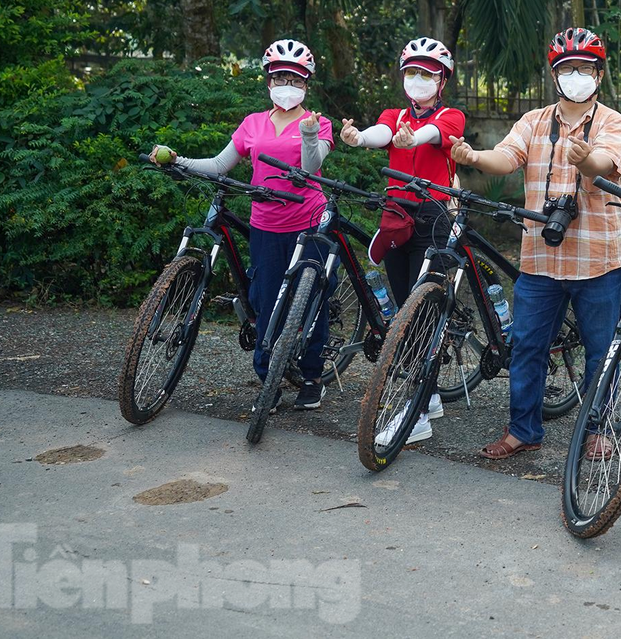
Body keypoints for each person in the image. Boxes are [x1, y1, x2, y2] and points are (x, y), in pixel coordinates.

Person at [449, 28, 621, 460]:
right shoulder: (532, 122)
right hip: (540, 257)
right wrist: (475, 158)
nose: (575, 76)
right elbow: (505, 157)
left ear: (599, 75)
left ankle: (599, 430)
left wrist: (585, 158)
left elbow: (606, 162)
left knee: (600, 351)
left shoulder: (613, 122)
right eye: (567, 68)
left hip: (599, 259)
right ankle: (523, 430)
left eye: (584, 68)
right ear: (555, 75)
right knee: (527, 346)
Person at [150, 39, 336, 412]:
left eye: (295, 79)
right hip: (265, 223)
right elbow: (221, 165)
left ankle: (313, 377)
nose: (287, 84)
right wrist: (177, 160)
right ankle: (269, 381)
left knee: (311, 300)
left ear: (306, 85)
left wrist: (310, 134)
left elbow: (312, 166)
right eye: (280, 77)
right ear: (268, 81)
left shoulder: (317, 122)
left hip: (309, 221)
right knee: (266, 303)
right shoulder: (252, 124)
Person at [340, 36, 464, 445]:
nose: (418, 80)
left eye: (427, 73)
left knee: (422, 308)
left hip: (434, 216)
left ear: (441, 80)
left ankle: (417, 410)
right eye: (412, 72)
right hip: (395, 216)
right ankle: (425, 395)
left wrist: (416, 137)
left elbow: (432, 134)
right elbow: (382, 132)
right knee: (402, 306)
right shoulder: (394, 114)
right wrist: (360, 138)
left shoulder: (452, 116)